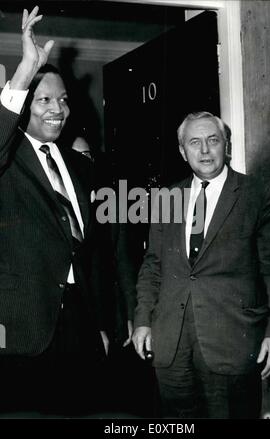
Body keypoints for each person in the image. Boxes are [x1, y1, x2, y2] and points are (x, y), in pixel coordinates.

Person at [132, 111, 270, 419]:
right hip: (171, 348)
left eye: (213, 140)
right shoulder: (167, 197)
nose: (205, 150)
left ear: (227, 145)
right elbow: (153, 266)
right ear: (183, 152)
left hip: (232, 345)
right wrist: (142, 319)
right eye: (194, 142)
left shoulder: (258, 195)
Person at [0, 6, 109, 415]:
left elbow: (92, 252)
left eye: (62, 100)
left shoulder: (80, 166)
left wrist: (100, 323)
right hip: (23, 326)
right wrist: (25, 72)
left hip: (79, 327)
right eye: (43, 99)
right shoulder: (8, 160)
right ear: (25, 105)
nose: (56, 109)